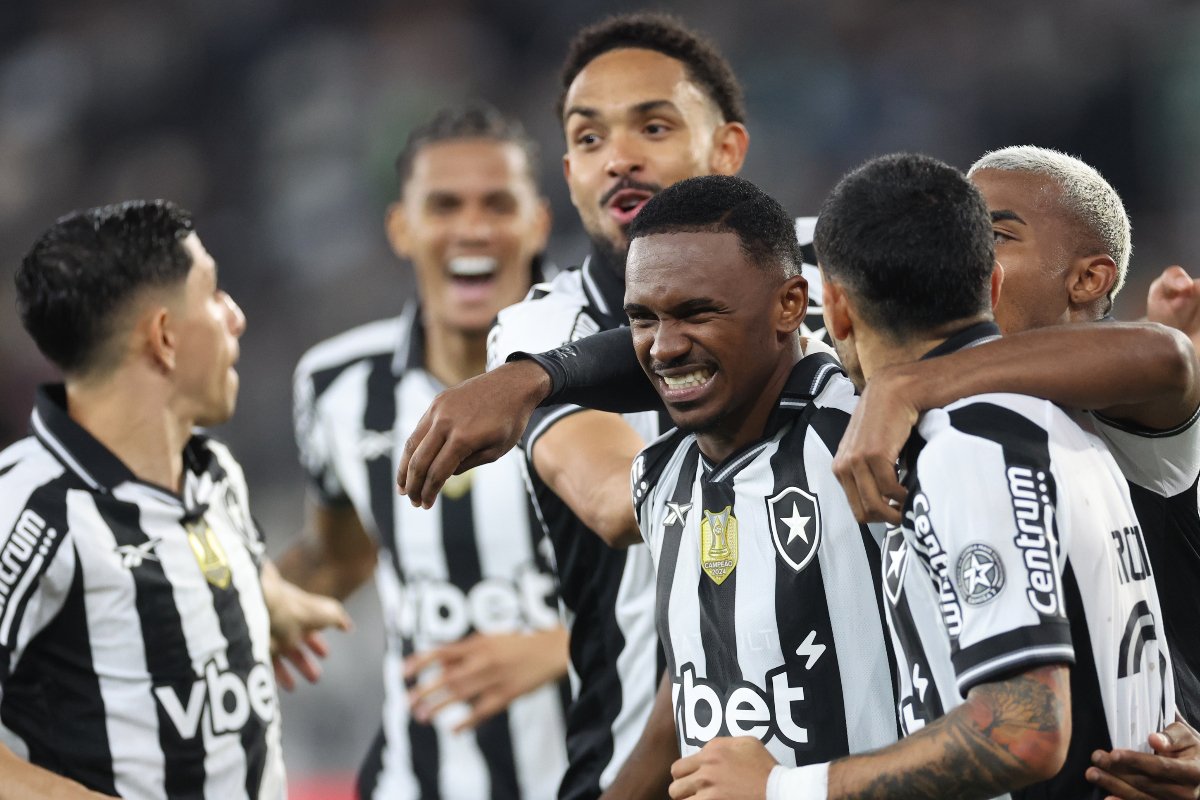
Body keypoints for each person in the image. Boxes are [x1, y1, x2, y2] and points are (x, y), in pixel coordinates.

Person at [677, 153, 1177, 800]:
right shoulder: (1058, 421)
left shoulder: (969, 447)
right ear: (991, 287)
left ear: (837, 308)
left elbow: (1022, 731)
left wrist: (782, 788)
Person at [421, 15, 754, 800]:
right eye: (592, 140)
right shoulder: (539, 332)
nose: (621, 159)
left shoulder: (826, 273)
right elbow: (612, 502)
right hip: (635, 771)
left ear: (727, 149)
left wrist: (912, 386)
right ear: (569, 172)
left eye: (654, 126)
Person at [1, 200, 347, 799]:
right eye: (213, 293)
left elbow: (176, 554)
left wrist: (264, 599)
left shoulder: (213, 474)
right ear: (163, 337)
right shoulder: (28, 507)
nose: (235, 318)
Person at [281, 105, 568, 799]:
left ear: (537, 222)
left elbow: (709, 574)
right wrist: (233, 610)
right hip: (414, 782)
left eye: (497, 204)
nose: (472, 228)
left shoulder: (623, 366)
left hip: (594, 778)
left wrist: (564, 646)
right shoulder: (336, 385)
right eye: (444, 206)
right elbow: (340, 553)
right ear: (401, 228)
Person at [622, 175, 897, 769]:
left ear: (791, 305)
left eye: (696, 313)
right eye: (643, 319)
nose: (664, 348)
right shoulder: (657, 476)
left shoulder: (868, 430)